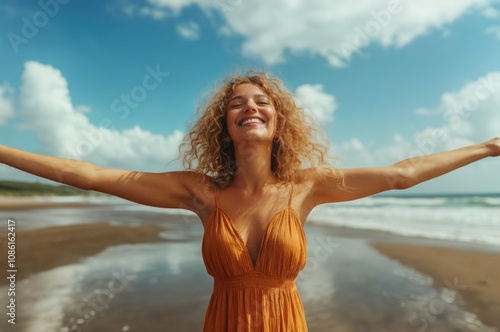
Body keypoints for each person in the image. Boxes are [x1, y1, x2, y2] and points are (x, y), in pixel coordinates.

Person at [1, 72, 498, 331]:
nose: (250, 107)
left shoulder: (308, 187)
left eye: (261, 102)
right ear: (225, 125)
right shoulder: (200, 192)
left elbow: (400, 174)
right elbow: (87, 175)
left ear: (279, 122)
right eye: (237, 103)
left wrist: (490, 147)